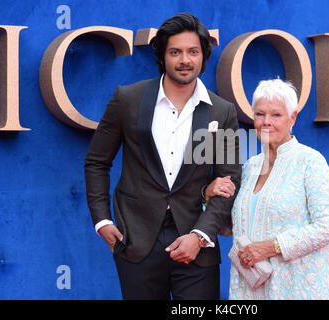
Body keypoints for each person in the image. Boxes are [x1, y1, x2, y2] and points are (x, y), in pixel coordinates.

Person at [84, 13, 241, 300]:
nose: (185, 60)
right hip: (136, 239)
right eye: (175, 52)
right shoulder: (127, 99)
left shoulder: (222, 111)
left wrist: (200, 236)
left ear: (203, 56)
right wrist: (102, 221)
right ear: (162, 56)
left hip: (197, 242)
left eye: (193, 52)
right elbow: (97, 162)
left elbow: (228, 180)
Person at [205, 78, 329, 299]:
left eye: (276, 115)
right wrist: (208, 196)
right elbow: (229, 229)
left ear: (292, 117)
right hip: (250, 289)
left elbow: (327, 226)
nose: (266, 122)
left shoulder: (310, 161)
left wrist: (271, 247)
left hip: (299, 288)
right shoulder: (249, 168)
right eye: (260, 114)